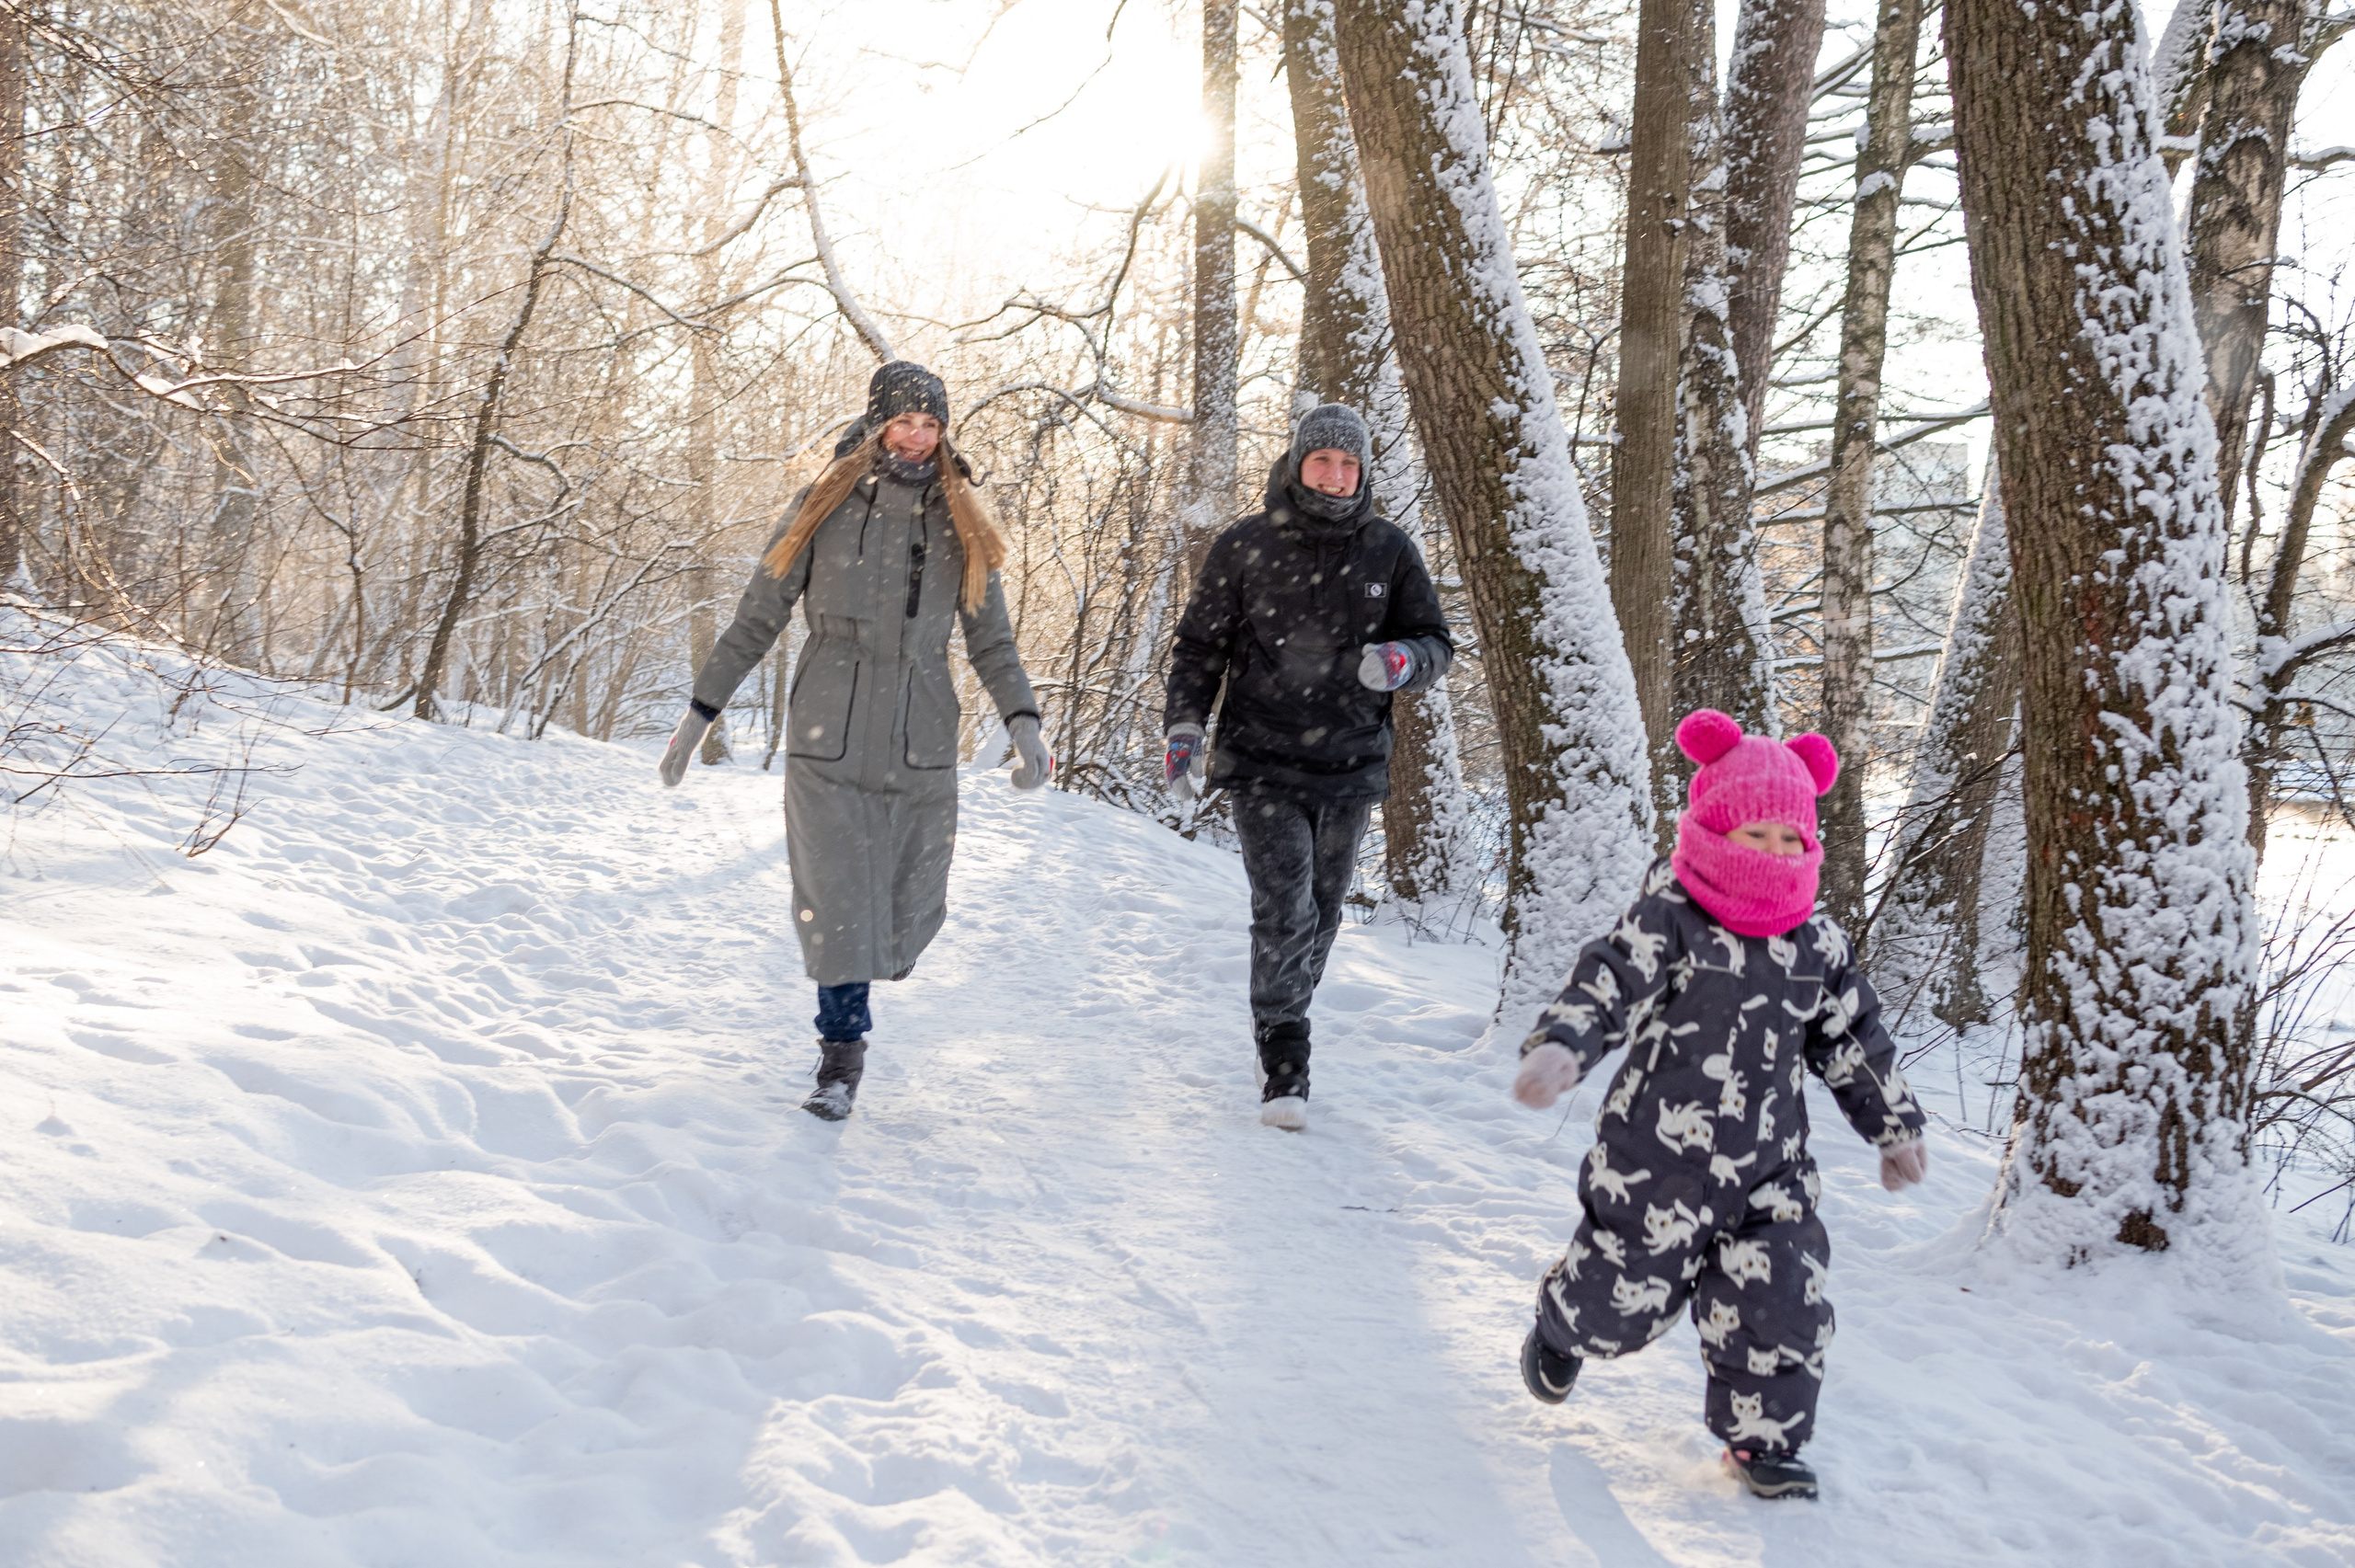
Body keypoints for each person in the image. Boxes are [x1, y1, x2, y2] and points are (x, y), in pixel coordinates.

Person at [1508, 709, 1929, 1501]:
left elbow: (1854, 1042)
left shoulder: (1818, 947)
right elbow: (1607, 983)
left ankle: (1764, 1442)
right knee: (1618, 1303)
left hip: (1770, 1171)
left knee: (1781, 1300)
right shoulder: (1671, 919)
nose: (1776, 853)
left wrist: (1892, 1125)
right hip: (1653, 1164)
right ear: (1709, 832)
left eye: (1790, 840)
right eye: (1755, 836)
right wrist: (1563, 1047)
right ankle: (1565, 1319)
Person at [660, 361, 1052, 1121]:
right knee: (839, 901)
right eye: (903, 420)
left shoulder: (960, 521)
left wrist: (1024, 723)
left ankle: (858, 1008)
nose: (916, 435)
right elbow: (756, 617)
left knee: (906, 903)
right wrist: (700, 713)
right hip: (827, 735)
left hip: (921, 736)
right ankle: (841, 1054)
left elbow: (993, 641)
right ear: (877, 424)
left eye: (930, 423)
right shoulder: (824, 505)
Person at [1162, 403, 1453, 1130]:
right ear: (1297, 463)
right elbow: (1200, 647)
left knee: (1323, 911)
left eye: (1348, 463)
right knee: (1285, 905)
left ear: (1363, 471)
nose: (1335, 474)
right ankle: (1284, 1054)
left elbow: (1434, 642)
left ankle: (1283, 1010)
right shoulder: (1245, 545)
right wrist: (1185, 727)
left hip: (1351, 761)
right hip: (1262, 757)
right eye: (1322, 460)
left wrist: (1402, 660)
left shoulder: (1389, 549)